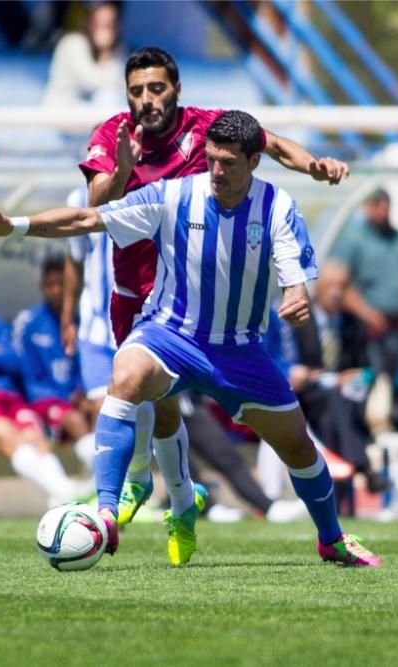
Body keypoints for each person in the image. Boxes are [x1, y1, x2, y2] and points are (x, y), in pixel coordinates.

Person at [0, 110, 381, 567]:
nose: (216, 171)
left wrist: (297, 297)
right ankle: (105, 516)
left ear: (255, 161)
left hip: (239, 349)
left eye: (229, 163)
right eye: (212, 159)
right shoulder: (175, 194)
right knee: (126, 373)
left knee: (298, 447)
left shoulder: (277, 207)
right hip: (170, 334)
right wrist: (14, 226)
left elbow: (293, 276)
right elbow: (85, 219)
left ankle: (332, 539)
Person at [67, 46, 349, 533]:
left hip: (196, 293)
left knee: (155, 394)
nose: (146, 100)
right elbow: (95, 208)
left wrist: (313, 166)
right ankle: (174, 495)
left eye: (156, 88)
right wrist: (121, 170)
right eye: (136, 91)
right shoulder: (112, 135)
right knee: (158, 403)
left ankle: (156, 493)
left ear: (176, 88)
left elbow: (274, 145)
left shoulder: (211, 130)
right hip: (136, 289)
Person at [0, 307, 83, 507]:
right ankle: (65, 493)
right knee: (5, 432)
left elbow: (15, 361)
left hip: (10, 396)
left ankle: (61, 494)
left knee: (33, 436)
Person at [280, 260, 388, 492]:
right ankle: (364, 467)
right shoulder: (298, 321)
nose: (337, 293)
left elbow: (368, 369)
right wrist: (331, 379)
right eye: (331, 286)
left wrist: (357, 377)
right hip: (306, 399)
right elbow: (292, 367)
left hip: (342, 403)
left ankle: (345, 472)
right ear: (318, 287)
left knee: (336, 407)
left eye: (343, 286)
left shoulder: (353, 324)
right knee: (332, 398)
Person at [13, 255, 95, 468]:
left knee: (101, 411)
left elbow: (86, 368)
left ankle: (103, 486)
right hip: (43, 401)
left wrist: (81, 393)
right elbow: (27, 376)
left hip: (74, 399)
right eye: (51, 285)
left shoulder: (82, 322)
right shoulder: (30, 323)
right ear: (42, 286)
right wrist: (66, 397)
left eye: (62, 284)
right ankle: (102, 485)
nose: (57, 291)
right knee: (75, 420)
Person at [330, 188, 398, 380]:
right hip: (364, 326)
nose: (383, 209)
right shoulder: (353, 238)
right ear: (367, 207)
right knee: (367, 379)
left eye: (386, 203)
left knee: (395, 379)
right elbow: (339, 283)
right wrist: (368, 314)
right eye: (377, 203)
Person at [43, 1, 124, 107]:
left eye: (109, 25)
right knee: (107, 97)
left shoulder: (117, 49)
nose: (105, 30)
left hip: (85, 111)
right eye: (100, 23)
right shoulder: (73, 42)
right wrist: (105, 52)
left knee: (110, 97)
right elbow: (91, 81)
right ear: (90, 22)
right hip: (61, 110)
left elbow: (119, 82)